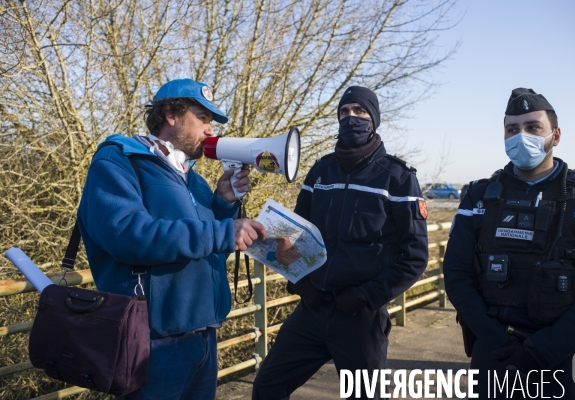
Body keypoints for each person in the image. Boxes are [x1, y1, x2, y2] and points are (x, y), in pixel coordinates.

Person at [77, 78, 266, 400]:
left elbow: (209, 252)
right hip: (152, 339)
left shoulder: (193, 180)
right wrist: (223, 231)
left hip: (203, 333)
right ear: (171, 114)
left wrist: (223, 204)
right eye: (203, 118)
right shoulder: (120, 160)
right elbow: (128, 236)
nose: (210, 130)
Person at [252, 86, 429, 399]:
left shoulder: (398, 177)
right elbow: (293, 237)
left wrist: (364, 296)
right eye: (344, 112)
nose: (351, 118)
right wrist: (302, 285)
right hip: (313, 307)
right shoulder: (321, 170)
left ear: (373, 119)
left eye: (359, 112)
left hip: (360, 317)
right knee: (267, 386)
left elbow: (414, 257)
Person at [444, 88, 575, 398]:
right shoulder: (479, 196)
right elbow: (457, 275)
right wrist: (497, 342)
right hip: (495, 352)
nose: (521, 135)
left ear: (555, 136)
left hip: (561, 356)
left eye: (532, 127)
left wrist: (543, 350)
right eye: (512, 129)